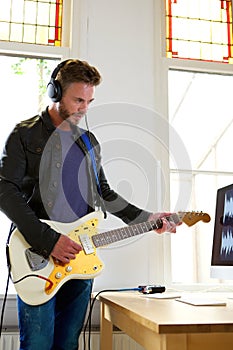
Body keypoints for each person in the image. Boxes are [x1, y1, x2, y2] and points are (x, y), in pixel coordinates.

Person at [0, 59, 180, 350]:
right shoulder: (24, 134)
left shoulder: (89, 142)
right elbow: (4, 190)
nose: (84, 109)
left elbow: (104, 193)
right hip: (36, 256)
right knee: (37, 344)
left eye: (89, 101)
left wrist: (147, 217)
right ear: (55, 93)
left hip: (81, 257)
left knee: (68, 344)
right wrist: (49, 240)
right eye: (78, 100)